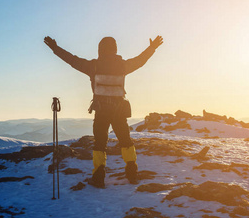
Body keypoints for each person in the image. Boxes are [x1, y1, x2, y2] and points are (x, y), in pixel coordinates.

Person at [44, 35, 163, 187]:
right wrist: (152, 48)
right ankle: (132, 174)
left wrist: (55, 48)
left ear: (100, 50)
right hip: (119, 111)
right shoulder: (122, 66)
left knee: (100, 144)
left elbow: (71, 60)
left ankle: (98, 177)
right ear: (115, 49)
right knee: (126, 142)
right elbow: (140, 60)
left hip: (101, 111)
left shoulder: (93, 66)